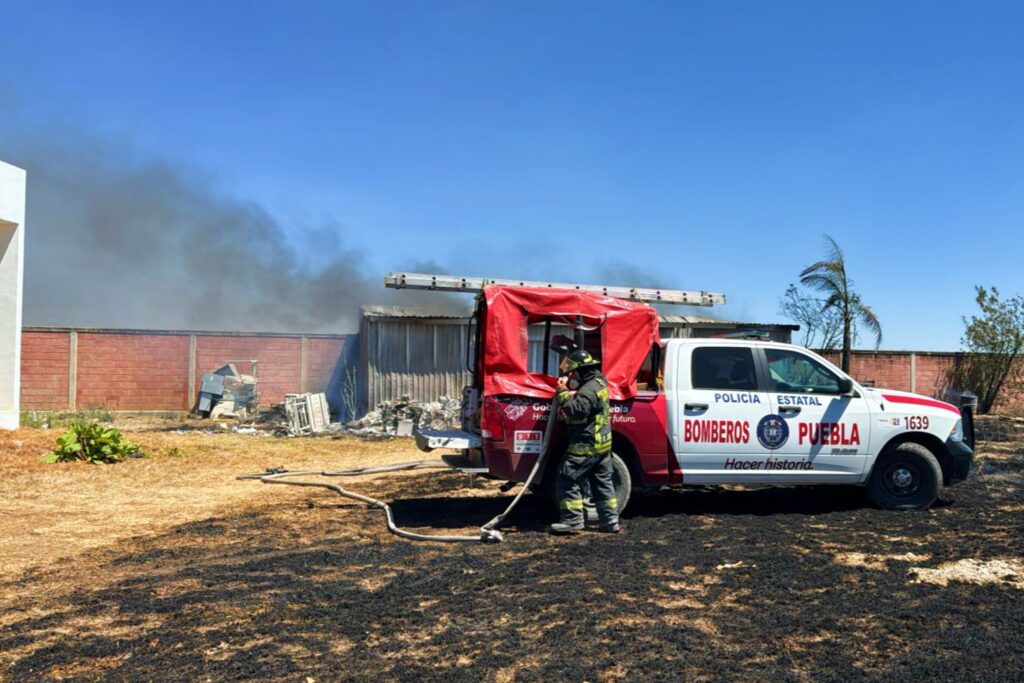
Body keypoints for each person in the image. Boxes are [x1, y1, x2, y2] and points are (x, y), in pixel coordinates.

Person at [549, 348, 621, 535]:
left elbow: (576, 410)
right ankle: (610, 521)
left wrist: (563, 392)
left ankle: (572, 521)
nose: (569, 375)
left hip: (586, 445)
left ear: (581, 370)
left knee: (567, 477)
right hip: (602, 444)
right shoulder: (598, 382)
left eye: (572, 372)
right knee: (602, 482)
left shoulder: (589, 389)